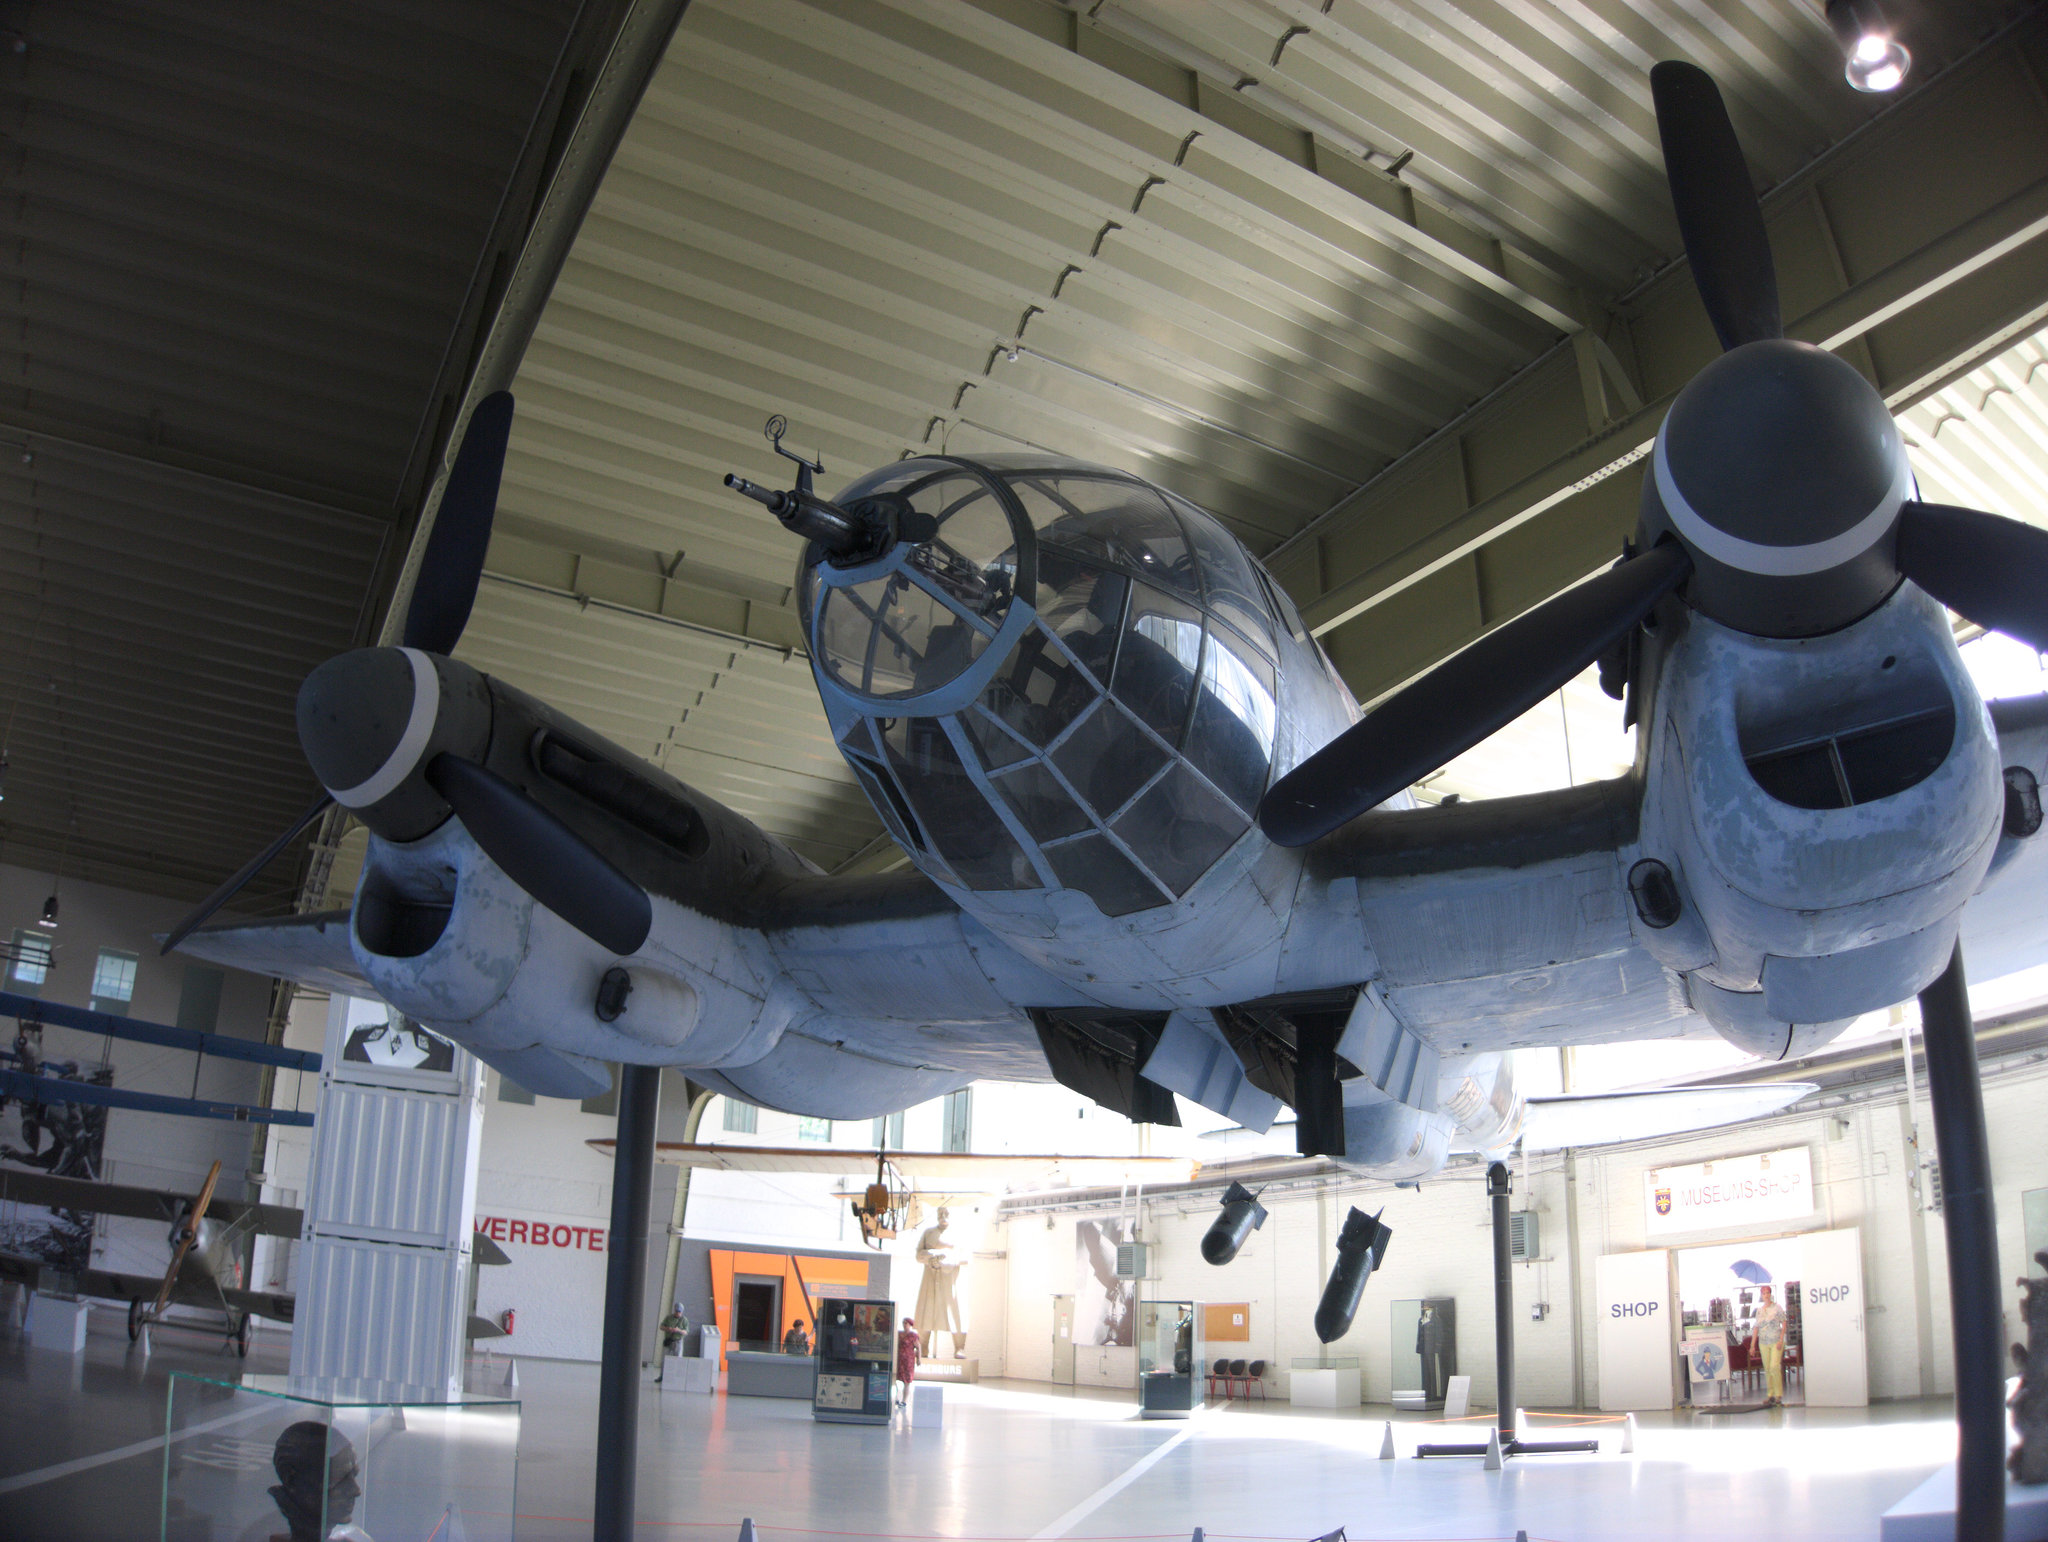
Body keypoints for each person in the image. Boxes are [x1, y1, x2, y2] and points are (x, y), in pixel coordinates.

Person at [914, 1206, 967, 1358]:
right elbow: (918, 1254)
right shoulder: (928, 1233)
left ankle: (959, 1347)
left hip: (950, 1279)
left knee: (956, 1313)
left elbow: (965, 1256)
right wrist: (931, 1257)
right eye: (940, 1213)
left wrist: (946, 1259)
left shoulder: (959, 1233)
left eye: (946, 1213)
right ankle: (923, 1347)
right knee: (926, 1311)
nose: (943, 1216)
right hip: (930, 1278)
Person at [1754, 1284, 1788, 1407]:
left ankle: (1778, 1394)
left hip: (1775, 1341)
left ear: (1770, 1294)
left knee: (1774, 1366)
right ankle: (1771, 1394)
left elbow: (1784, 1323)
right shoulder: (1759, 1311)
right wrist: (1752, 1345)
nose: (1766, 1295)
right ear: (1761, 1295)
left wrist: (1781, 1339)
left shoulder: (1777, 1308)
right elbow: (1756, 1328)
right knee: (1767, 1368)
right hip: (1763, 1342)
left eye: (1767, 1292)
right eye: (1764, 1293)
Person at [655, 1302, 688, 1382]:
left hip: (678, 1341)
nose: (677, 1313)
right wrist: (668, 1329)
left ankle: (677, 1378)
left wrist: (678, 1330)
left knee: (678, 1359)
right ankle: (662, 1375)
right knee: (665, 1359)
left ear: (682, 1312)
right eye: (676, 1311)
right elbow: (661, 1326)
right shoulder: (668, 1318)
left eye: (679, 1312)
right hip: (669, 1340)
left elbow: (686, 1332)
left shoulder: (684, 1320)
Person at [894, 1315, 920, 1409]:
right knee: (895, 1379)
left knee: (907, 1381)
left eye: (906, 1323)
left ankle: (904, 1400)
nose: (904, 1325)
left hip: (908, 1360)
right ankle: (895, 1398)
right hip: (899, 1359)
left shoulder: (913, 1335)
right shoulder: (899, 1334)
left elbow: (918, 1347)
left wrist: (919, 1359)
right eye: (903, 1323)